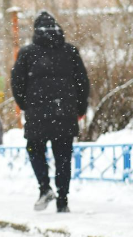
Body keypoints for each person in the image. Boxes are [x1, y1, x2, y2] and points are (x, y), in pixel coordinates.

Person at [11, 11, 89, 213]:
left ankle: (45, 187)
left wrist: (26, 105)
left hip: (37, 115)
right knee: (63, 156)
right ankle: (63, 199)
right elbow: (83, 83)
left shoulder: (27, 53)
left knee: (34, 150)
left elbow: (17, 84)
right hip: (65, 113)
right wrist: (80, 109)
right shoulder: (70, 51)